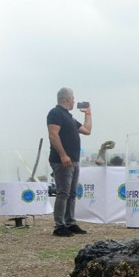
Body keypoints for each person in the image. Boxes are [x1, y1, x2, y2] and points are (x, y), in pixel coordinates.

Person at [47, 87, 91, 237]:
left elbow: (87, 130)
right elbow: (53, 135)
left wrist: (88, 113)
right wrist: (63, 155)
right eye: (73, 98)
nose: (74, 101)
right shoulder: (55, 113)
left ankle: (70, 222)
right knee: (63, 192)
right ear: (66, 99)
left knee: (72, 193)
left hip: (74, 160)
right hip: (62, 160)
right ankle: (59, 225)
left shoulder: (70, 117)